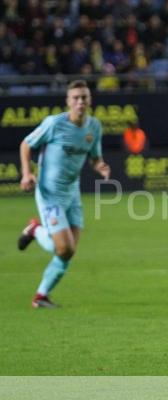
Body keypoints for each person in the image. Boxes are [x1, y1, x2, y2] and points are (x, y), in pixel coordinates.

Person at [17, 80, 111, 308]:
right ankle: (36, 229)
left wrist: (100, 166)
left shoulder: (94, 127)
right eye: (76, 98)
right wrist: (27, 174)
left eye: (84, 97)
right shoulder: (54, 124)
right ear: (68, 101)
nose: (80, 102)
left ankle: (41, 296)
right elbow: (26, 145)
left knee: (68, 252)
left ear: (90, 101)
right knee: (63, 247)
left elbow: (94, 156)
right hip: (50, 193)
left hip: (72, 193)